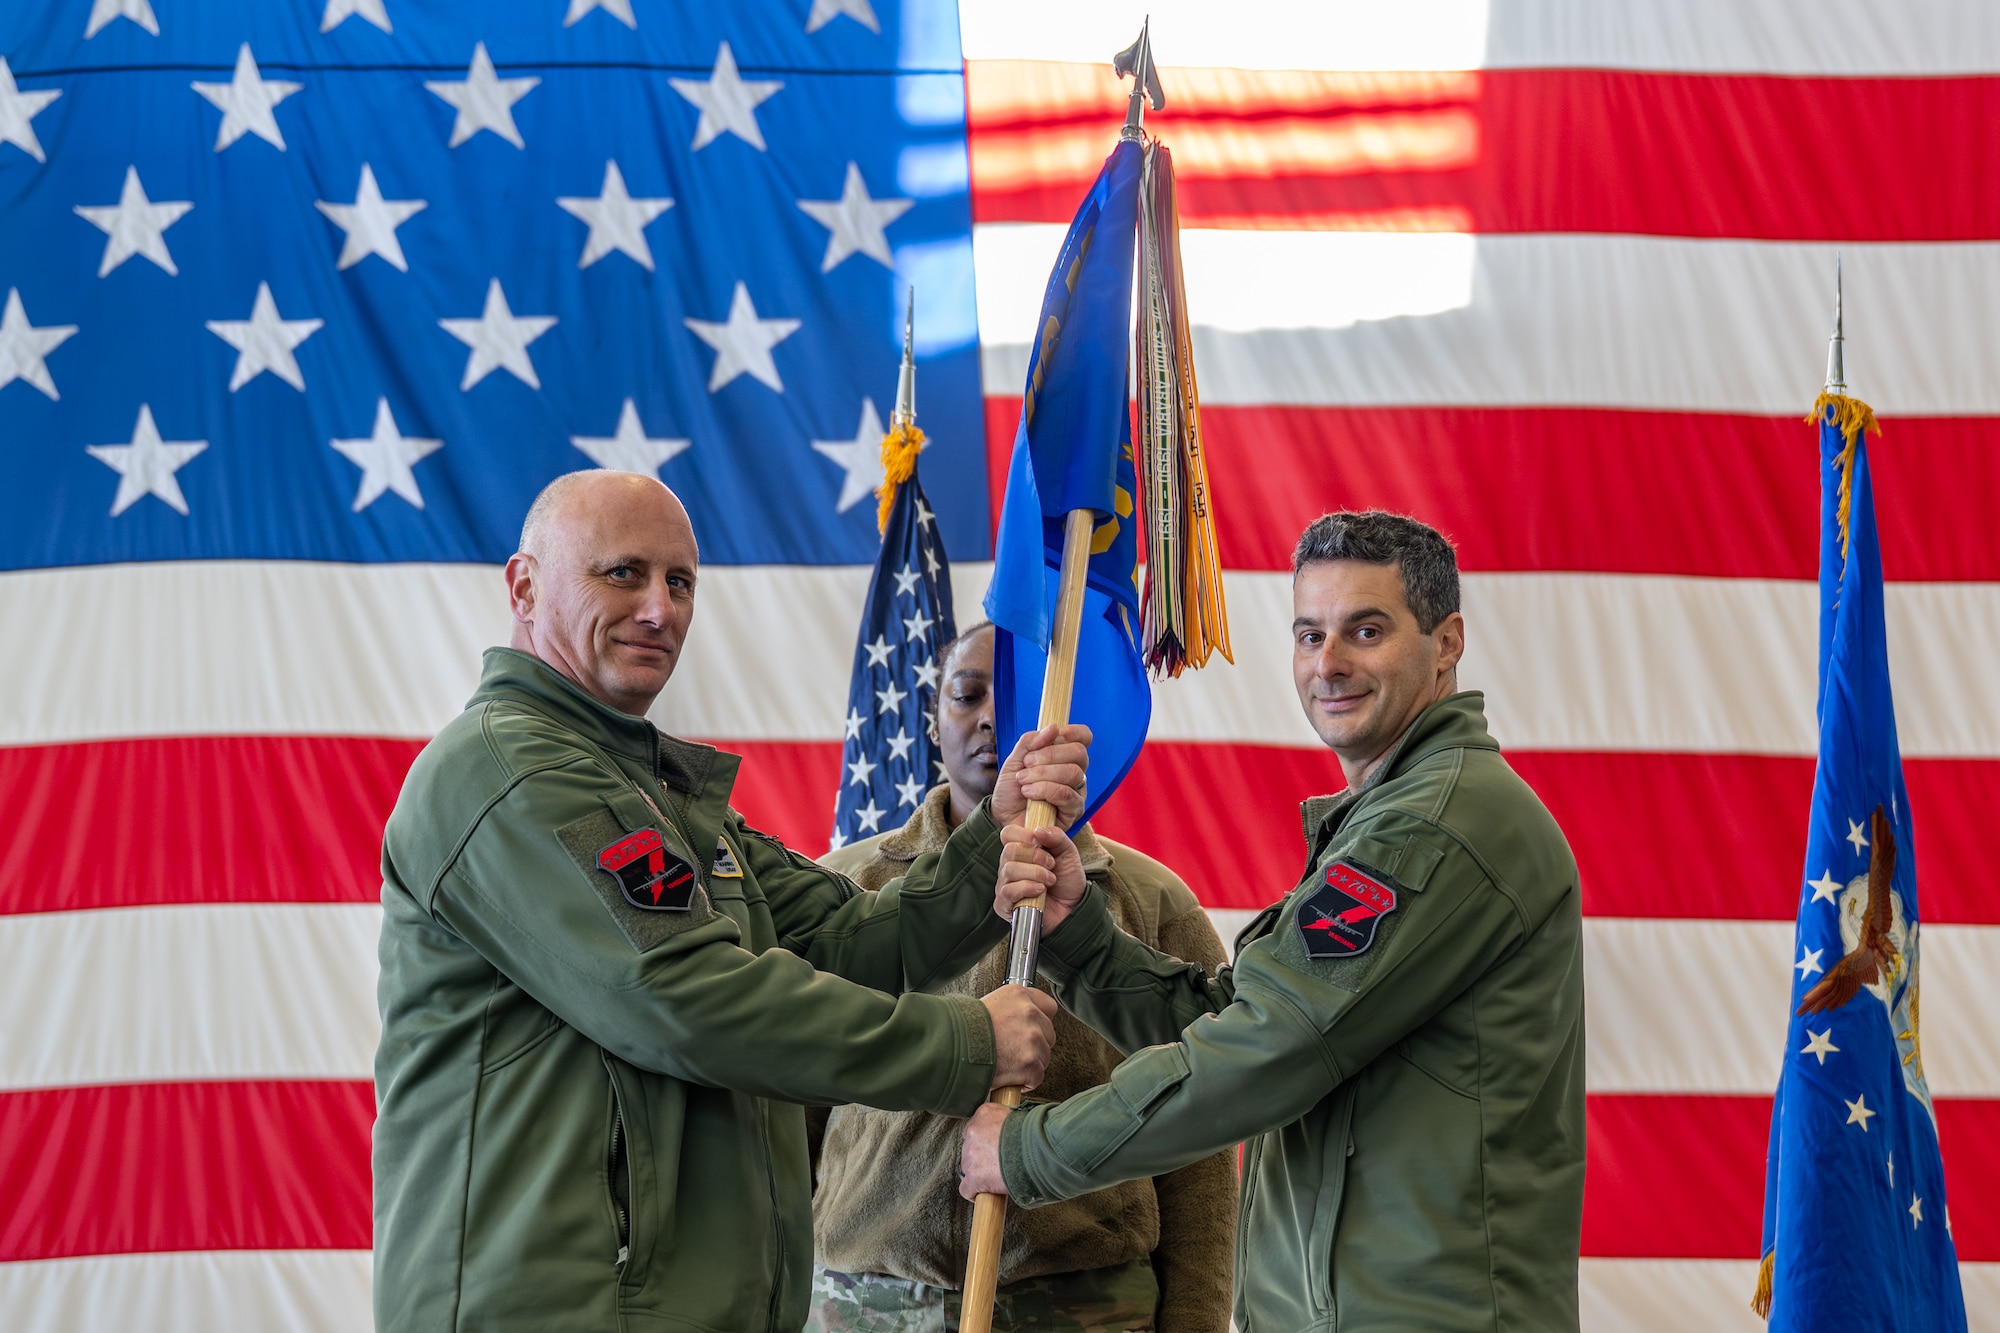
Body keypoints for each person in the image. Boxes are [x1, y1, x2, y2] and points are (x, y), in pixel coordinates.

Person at [373, 470, 1090, 1333]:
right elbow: (689, 998)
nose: (659, 609)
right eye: (622, 573)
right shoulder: (508, 771)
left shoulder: (651, 790)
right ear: (524, 586)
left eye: (680, 582)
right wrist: (969, 1042)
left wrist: (991, 839)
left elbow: (850, 937)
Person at [961, 511, 1586, 1333]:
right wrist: (1081, 939)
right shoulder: (1386, 817)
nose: (1329, 663)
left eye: (1365, 630)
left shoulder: (1433, 825)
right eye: (1308, 633)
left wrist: (1027, 1152)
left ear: (1447, 643)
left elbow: (1266, 1048)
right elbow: (1241, 1017)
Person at [807, 621, 1237, 1333]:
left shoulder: (1151, 900)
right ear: (933, 718)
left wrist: (1194, 1316)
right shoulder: (847, 891)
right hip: (867, 1302)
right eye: (963, 695)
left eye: (1008, 698)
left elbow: (1202, 1143)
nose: (984, 718)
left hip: (1084, 1305)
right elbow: (790, 1117)